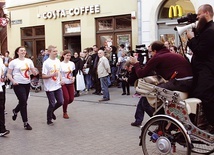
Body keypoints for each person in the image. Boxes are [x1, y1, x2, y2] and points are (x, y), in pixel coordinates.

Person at [129, 41, 193, 127]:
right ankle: (165, 120)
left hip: (179, 82)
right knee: (156, 93)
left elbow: (141, 74)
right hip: (190, 82)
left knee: (152, 92)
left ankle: (162, 121)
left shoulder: (158, 57)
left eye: (150, 51)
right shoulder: (173, 55)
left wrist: (136, 63)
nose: (150, 53)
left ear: (155, 51)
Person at [187, 4, 214, 130]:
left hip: (206, 71)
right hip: (203, 71)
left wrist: (191, 39)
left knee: (204, 96)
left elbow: (200, 51)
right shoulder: (206, 30)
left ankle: (210, 124)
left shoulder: (210, 31)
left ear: (206, 13)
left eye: (199, 14)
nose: (197, 17)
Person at [7, 46, 38, 130]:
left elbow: (33, 71)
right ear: (17, 52)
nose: (23, 52)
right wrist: (13, 81)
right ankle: (26, 123)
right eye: (21, 50)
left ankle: (15, 111)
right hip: (17, 84)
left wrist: (35, 72)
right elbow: (8, 74)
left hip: (27, 84)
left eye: (24, 50)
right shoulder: (13, 62)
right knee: (24, 102)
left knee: (23, 102)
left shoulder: (29, 61)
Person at [42, 45, 64, 125]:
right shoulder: (46, 63)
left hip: (57, 85)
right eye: (54, 51)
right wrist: (52, 75)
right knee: (51, 103)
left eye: (56, 51)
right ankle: (49, 119)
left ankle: (52, 111)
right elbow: (43, 76)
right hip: (49, 86)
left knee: (61, 102)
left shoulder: (58, 61)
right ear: (49, 52)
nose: (56, 52)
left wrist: (61, 79)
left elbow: (59, 72)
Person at [60, 50, 75, 119]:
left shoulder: (72, 63)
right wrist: (61, 80)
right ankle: (64, 112)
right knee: (66, 98)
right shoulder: (60, 64)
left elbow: (73, 72)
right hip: (64, 83)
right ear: (63, 56)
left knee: (71, 99)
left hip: (70, 82)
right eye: (67, 55)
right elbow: (59, 73)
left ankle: (64, 104)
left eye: (69, 55)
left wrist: (74, 77)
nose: (68, 57)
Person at [0, 57, 10, 136]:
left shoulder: (0, 59)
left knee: (1, 107)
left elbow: (3, 70)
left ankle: (2, 129)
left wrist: (4, 76)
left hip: (1, 86)